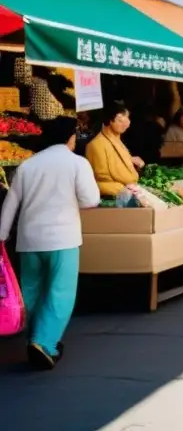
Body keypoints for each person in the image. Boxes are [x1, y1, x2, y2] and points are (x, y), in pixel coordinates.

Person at [0, 116, 100, 369]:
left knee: (31, 291)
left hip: (29, 239)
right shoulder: (77, 163)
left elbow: (11, 203)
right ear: (70, 137)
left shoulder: (28, 165)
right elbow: (90, 200)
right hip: (62, 238)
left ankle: (31, 339)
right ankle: (44, 343)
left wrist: (1, 235)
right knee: (60, 292)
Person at [85, 103, 145, 198]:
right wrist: (126, 188)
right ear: (110, 120)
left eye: (127, 118)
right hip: (113, 191)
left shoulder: (117, 141)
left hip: (129, 188)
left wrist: (131, 161)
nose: (127, 123)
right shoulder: (96, 145)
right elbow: (102, 177)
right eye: (120, 119)